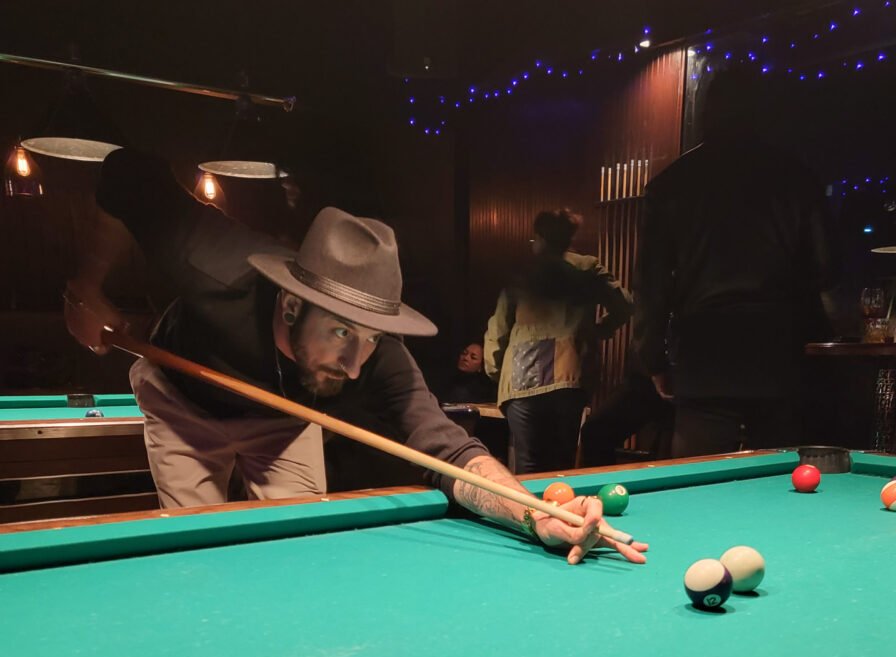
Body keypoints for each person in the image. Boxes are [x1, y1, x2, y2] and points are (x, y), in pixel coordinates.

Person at [64, 149, 645, 566]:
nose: (354, 364)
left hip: (284, 418)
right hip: (184, 400)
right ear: (291, 307)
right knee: (200, 550)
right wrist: (88, 286)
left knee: (301, 552)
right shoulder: (211, 262)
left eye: (369, 338)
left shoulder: (375, 356)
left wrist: (530, 512)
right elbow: (125, 174)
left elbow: (450, 451)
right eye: (341, 334)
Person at [632, 70, 839, 457]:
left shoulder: (671, 185)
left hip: (703, 350)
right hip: (778, 349)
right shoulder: (796, 178)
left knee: (697, 478)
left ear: (706, 113)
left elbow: (651, 284)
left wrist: (652, 359)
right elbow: (826, 269)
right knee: (781, 478)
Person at [484, 209, 633, 473]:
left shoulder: (523, 273)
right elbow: (624, 305)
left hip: (520, 376)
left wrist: (495, 370)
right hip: (569, 373)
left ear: (540, 238)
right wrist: (599, 330)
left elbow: (499, 329)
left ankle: (529, 514)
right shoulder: (588, 268)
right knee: (561, 465)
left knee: (528, 465)